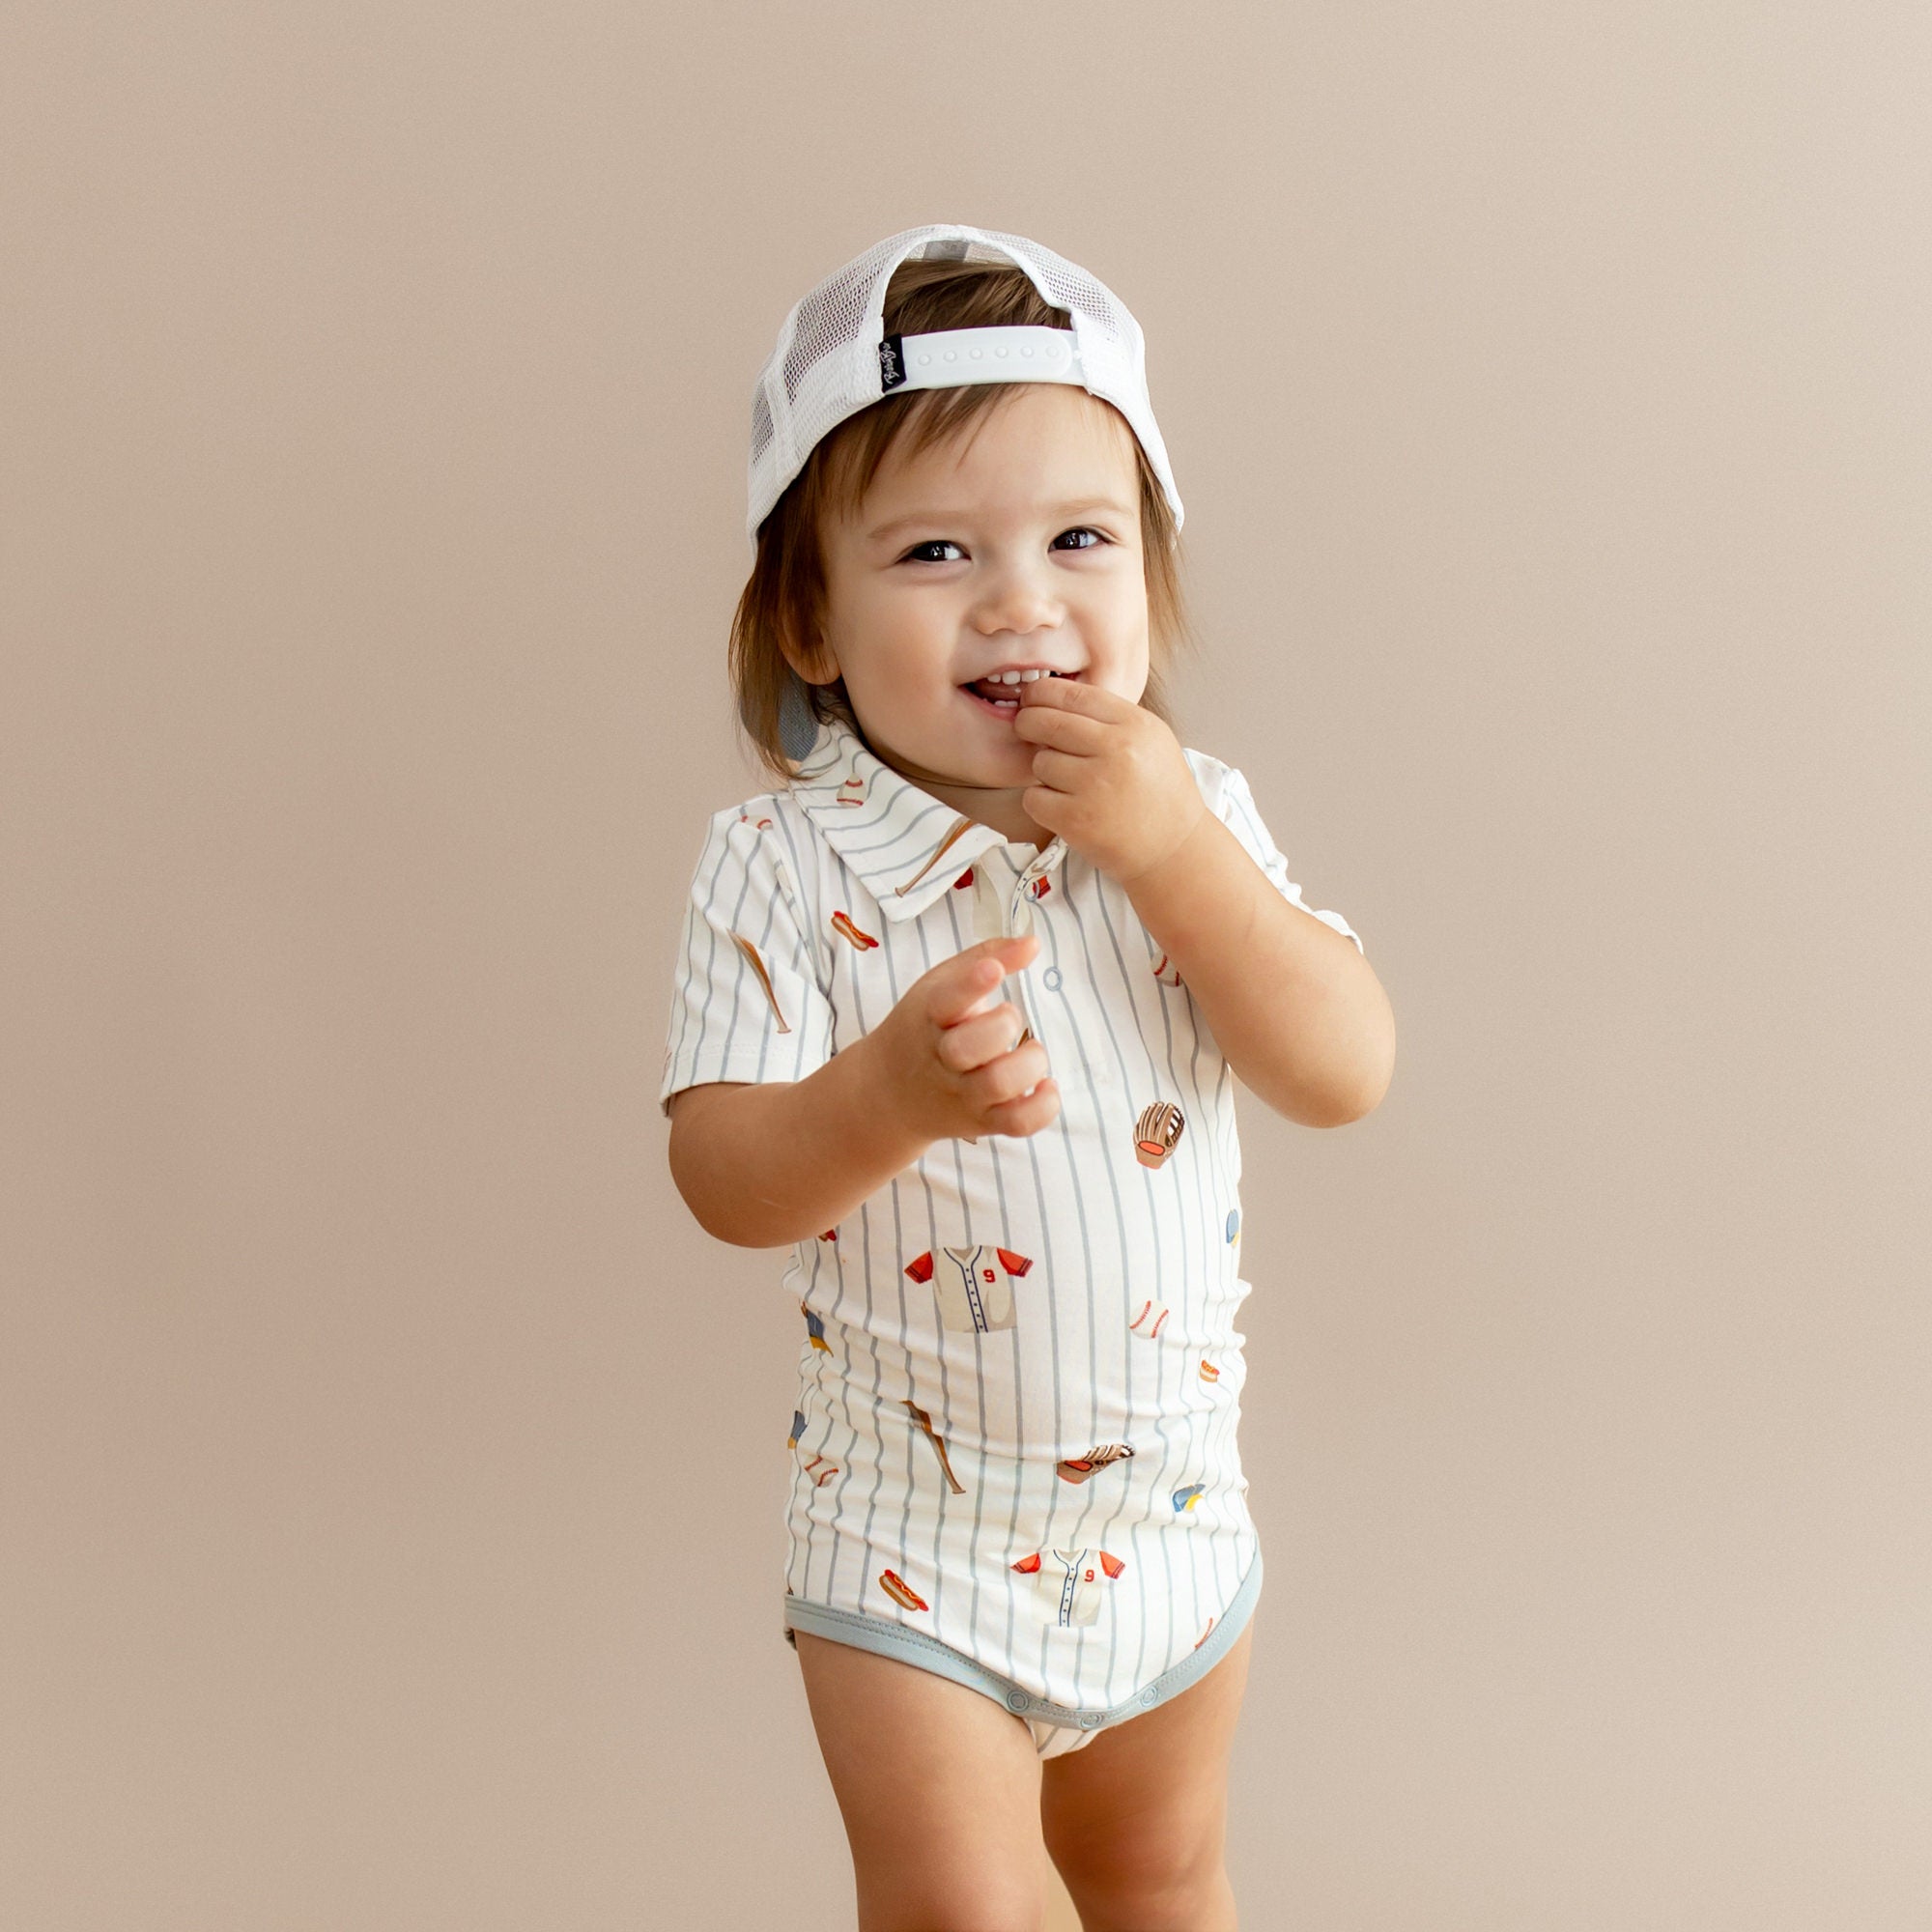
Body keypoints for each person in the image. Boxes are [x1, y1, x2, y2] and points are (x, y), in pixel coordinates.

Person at [661, 224, 1396, 1931]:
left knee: (1164, 1880)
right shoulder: (781, 865)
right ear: (813, 623)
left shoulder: (1189, 814)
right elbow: (720, 1174)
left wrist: (1176, 857)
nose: (1023, 603)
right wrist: (885, 1100)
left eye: (1082, 540)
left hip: (1174, 1518)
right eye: (935, 551)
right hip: (909, 1548)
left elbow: (1344, 1064)